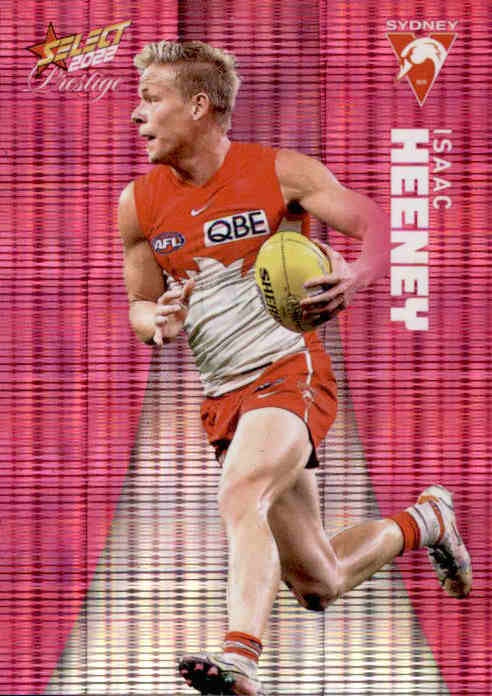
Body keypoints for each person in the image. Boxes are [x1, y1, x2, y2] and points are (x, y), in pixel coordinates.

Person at [118, 40, 472, 696]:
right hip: (223, 395)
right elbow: (139, 305)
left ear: (199, 106)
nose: (136, 115)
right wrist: (157, 320)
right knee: (317, 581)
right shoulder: (138, 204)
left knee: (240, 492)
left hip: (288, 370)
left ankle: (241, 659)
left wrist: (357, 274)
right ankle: (427, 520)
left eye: (151, 99)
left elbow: (375, 223)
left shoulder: (279, 172)